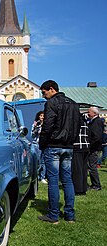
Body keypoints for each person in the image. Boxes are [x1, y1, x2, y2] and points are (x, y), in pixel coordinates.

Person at [38, 80, 80, 224]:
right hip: (68, 146)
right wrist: (71, 140)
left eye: (44, 93)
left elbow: (48, 125)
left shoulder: (51, 103)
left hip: (54, 145)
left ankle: (53, 215)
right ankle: (70, 215)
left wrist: (42, 143)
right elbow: (78, 125)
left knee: (53, 181)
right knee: (67, 180)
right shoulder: (74, 104)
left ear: (51, 89)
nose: (44, 96)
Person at [72, 114, 90, 195]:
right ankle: (83, 188)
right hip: (85, 146)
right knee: (83, 169)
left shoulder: (75, 123)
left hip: (77, 146)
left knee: (77, 169)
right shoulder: (85, 123)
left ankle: (78, 189)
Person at [86, 106, 103, 190]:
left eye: (89, 112)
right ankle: (94, 184)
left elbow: (97, 136)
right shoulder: (94, 121)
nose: (88, 113)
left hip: (94, 148)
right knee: (91, 166)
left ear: (94, 113)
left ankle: (96, 185)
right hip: (94, 147)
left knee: (92, 167)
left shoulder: (97, 122)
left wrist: (90, 146)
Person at [31, 111, 46, 183]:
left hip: (44, 144)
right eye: (41, 116)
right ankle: (36, 176)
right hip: (36, 144)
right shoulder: (36, 124)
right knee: (37, 161)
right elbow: (32, 135)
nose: (42, 117)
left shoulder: (47, 125)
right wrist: (35, 128)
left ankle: (42, 177)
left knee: (43, 161)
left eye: (43, 116)